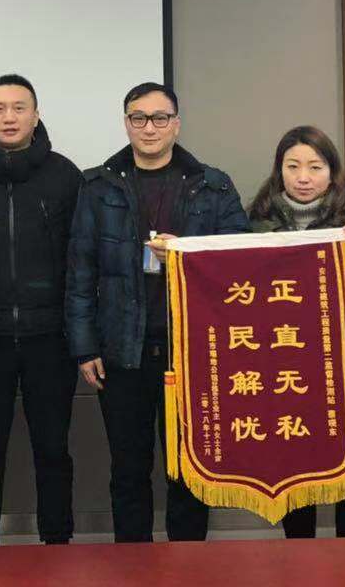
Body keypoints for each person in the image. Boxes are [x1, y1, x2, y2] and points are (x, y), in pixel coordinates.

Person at [65, 82, 248, 543]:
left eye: (160, 118)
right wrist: (85, 347)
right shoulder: (97, 185)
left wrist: (184, 253)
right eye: (139, 118)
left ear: (176, 124)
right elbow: (80, 270)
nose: (150, 127)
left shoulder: (213, 184)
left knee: (189, 469)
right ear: (126, 123)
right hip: (121, 350)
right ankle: (133, 564)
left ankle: (188, 563)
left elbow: (239, 261)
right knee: (128, 468)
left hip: (191, 351)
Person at [245, 125, 345, 538]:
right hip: (287, 364)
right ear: (279, 171)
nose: (303, 177)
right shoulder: (255, 230)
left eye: (315, 167)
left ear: (332, 172)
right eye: (293, 166)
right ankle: (300, 561)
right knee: (295, 467)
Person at [0, 74, 83, 546]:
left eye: (19, 108)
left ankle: (57, 544)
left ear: (36, 115)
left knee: (53, 449)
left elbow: (81, 258)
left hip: (51, 338)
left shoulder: (65, 176)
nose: (9, 117)